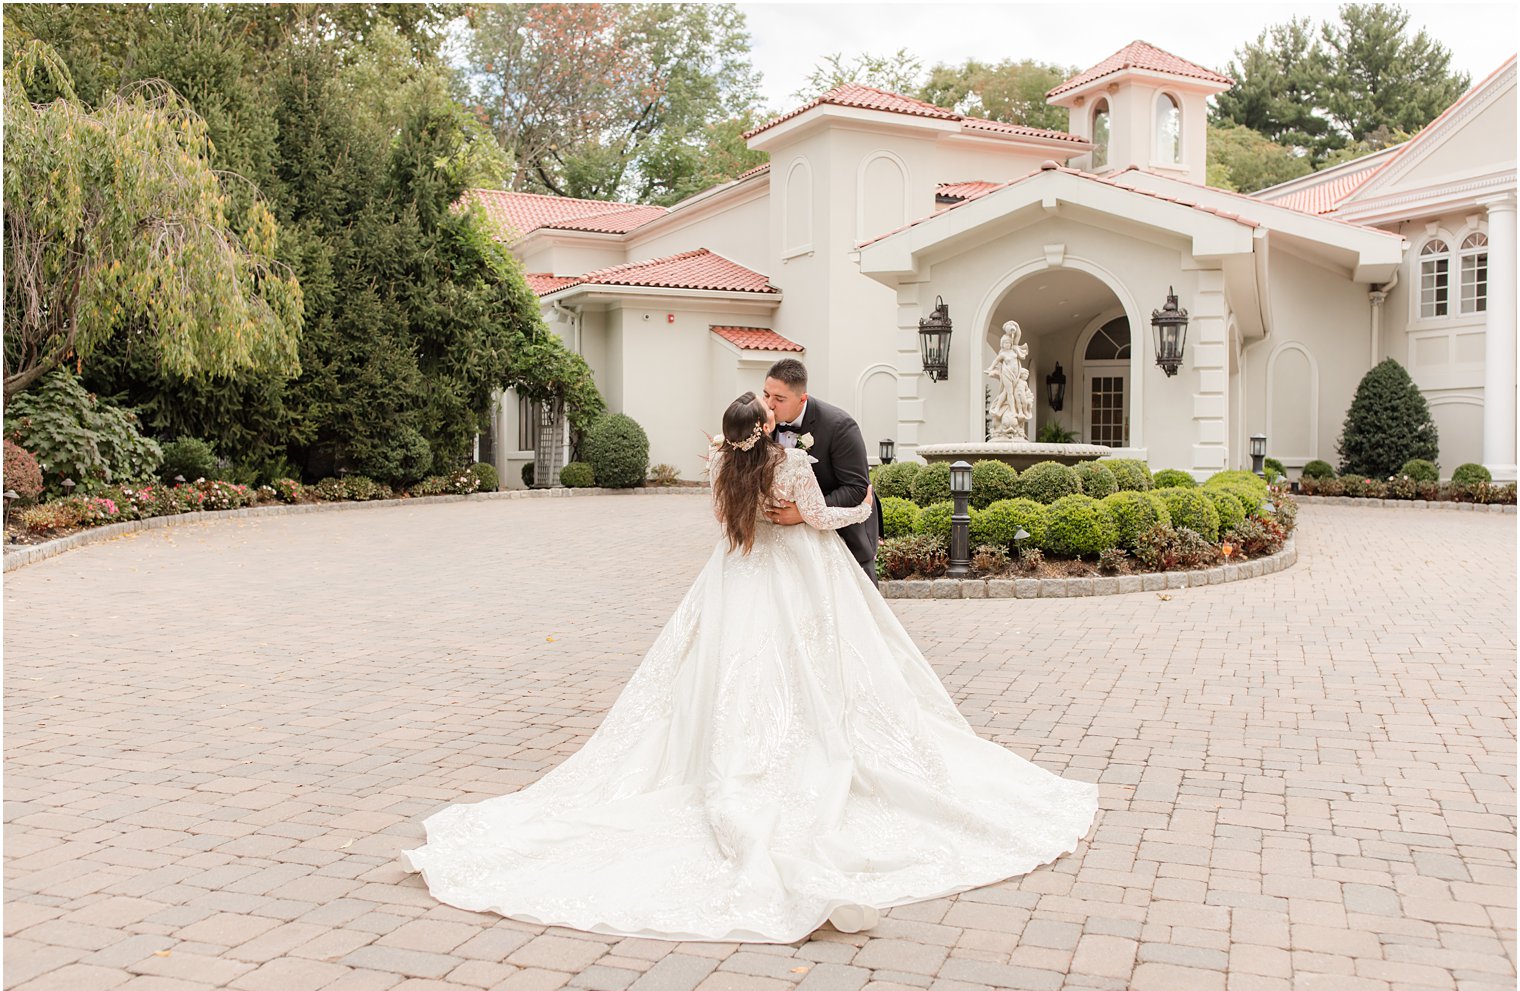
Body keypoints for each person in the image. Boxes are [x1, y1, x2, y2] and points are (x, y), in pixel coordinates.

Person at [401, 392, 1099, 944]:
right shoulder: (788, 463)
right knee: (815, 669)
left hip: (736, 575)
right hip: (797, 577)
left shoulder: (726, 465)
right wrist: (864, 503)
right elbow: (823, 518)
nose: (775, 415)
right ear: (765, 428)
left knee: (718, 673)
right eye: (768, 412)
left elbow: (737, 515)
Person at [761, 358, 881, 584]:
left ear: (802, 398)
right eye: (766, 395)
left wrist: (804, 514)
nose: (769, 404)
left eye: (779, 399)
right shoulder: (761, 423)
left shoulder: (840, 427)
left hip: (840, 539)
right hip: (782, 547)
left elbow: (856, 489)